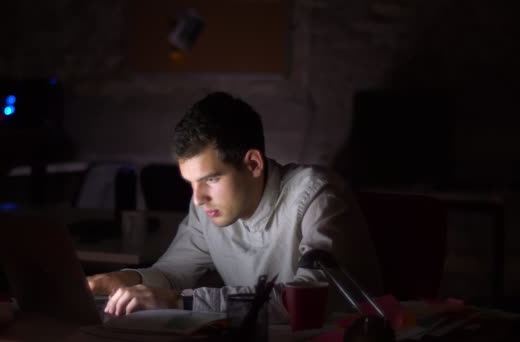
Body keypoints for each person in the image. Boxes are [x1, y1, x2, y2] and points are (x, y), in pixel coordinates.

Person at [87, 92, 383, 322]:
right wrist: (122, 280)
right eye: (190, 183)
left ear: (253, 164)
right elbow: (172, 274)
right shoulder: (206, 207)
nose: (198, 198)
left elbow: (307, 301)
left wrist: (181, 302)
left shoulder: (317, 194)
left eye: (211, 179)